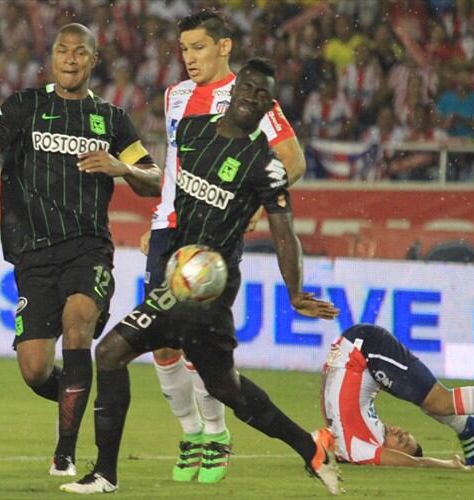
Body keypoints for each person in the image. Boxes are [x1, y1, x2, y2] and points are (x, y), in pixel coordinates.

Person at [60, 59, 342, 495]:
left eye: (261, 96)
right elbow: (170, 191)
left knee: (115, 352)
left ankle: (106, 474)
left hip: (209, 291)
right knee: (222, 384)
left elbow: (285, 233)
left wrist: (296, 291)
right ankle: (312, 449)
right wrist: (157, 231)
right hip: (179, 278)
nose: (251, 99)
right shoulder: (190, 132)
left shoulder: (262, 163)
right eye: (247, 89)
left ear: (268, 105)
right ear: (234, 91)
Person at [0, 23, 161, 476]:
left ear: (94, 59)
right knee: (34, 368)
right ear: (52, 57)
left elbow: (154, 181)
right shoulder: (26, 105)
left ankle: (65, 453)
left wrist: (119, 166)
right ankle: (78, 395)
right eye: (62, 51)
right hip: (32, 253)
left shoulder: (111, 119)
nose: (70, 59)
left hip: (88, 248)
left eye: (80, 52)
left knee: (77, 324)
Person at [142, 10, 306, 484]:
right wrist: (160, 219)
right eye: (184, 49)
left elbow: (292, 161)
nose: (189, 58)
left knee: (198, 346)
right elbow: (176, 165)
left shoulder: (250, 100)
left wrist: (252, 206)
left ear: (224, 47)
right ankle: (191, 431)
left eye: (198, 47)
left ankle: (216, 435)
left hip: (214, 242)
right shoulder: (174, 97)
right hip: (168, 230)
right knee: (161, 345)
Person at [322, 323, 474, 468]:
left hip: (363, 349)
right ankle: (465, 426)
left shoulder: (358, 450)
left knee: (440, 402)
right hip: (353, 352)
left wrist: (452, 465)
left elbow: (415, 463)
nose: (404, 436)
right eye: (407, 441)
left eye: (403, 443)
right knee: (425, 398)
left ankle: (466, 427)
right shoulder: (360, 439)